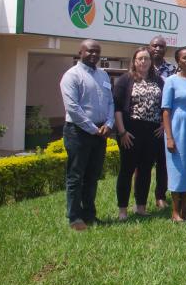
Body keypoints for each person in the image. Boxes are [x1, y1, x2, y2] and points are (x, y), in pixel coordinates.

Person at [60, 39, 114, 231]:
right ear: (80, 52)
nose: (94, 55)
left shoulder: (103, 75)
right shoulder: (72, 76)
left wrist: (109, 123)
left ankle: (89, 214)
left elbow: (110, 102)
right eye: (90, 51)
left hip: (101, 132)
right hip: (78, 132)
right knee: (76, 175)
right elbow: (73, 108)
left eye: (97, 52)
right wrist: (93, 128)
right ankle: (74, 217)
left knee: (92, 175)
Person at [113, 46, 164, 220]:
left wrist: (163, 125)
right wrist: (122, 132)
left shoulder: (158, 81)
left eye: (147, 59)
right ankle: (122, 210)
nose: (143, 62)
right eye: (140, 58)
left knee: (145, 170)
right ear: (134, 61)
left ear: (151, 62)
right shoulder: (125, 80)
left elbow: (165, 106)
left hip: (152, 132)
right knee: (127, 171)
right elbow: (117, 108)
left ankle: (141, 207)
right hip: (130, 132)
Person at [161, 47, 186, 222]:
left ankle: (185, 209)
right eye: (184, 57)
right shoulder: (171, 81)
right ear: (178, 60)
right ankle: (175, 211)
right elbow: (165, 111)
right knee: (177, 169)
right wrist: (169, 137)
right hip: (177, 128)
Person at [148, 35, 174, 209]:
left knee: (163, 163)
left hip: (164, 123)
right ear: (149, 47)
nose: (158, 49)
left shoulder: (171, 69)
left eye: (162, 46)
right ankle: (139, 197)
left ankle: (160, 196)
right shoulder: (142, 66)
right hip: (144, 123)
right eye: (155, 46)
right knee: (142, 164)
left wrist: (163, 125)